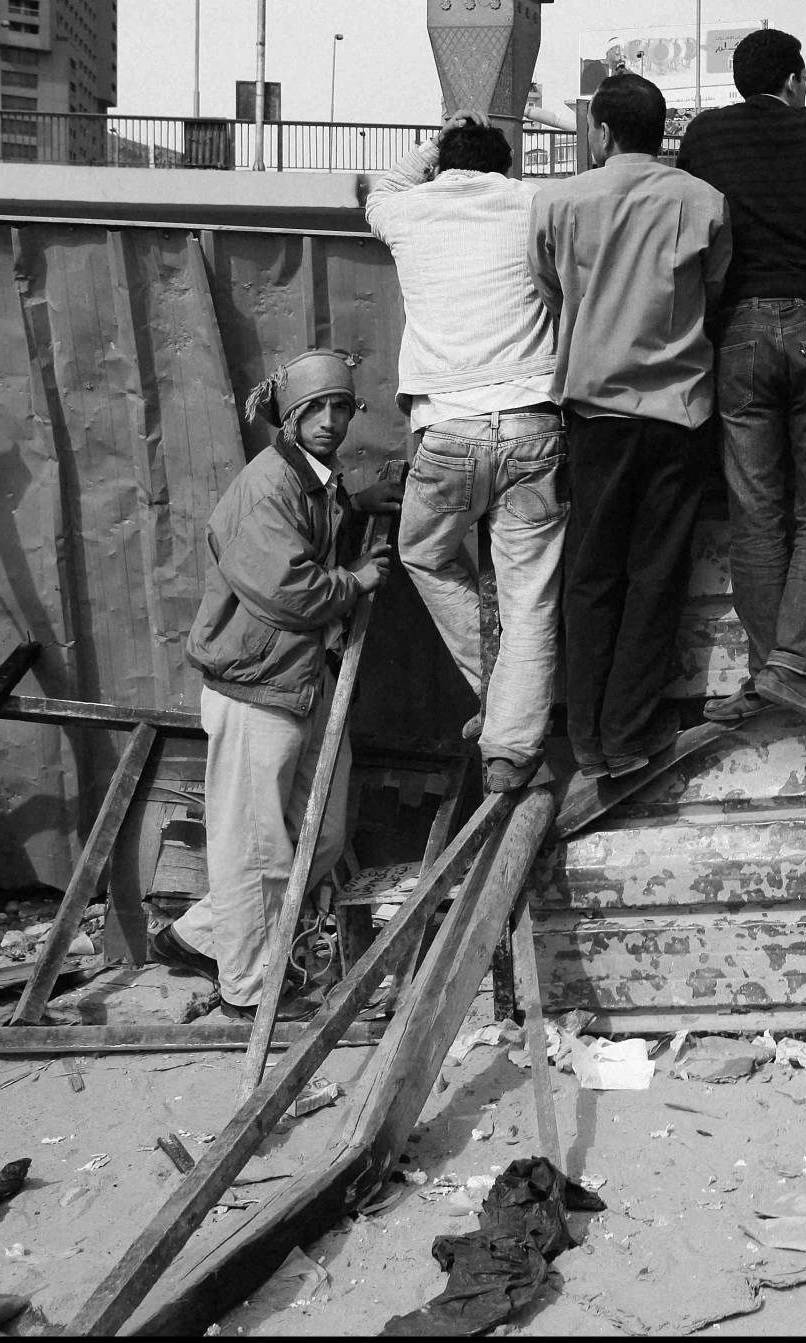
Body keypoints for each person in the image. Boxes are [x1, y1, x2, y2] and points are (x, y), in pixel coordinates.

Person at [156, 350, 396, 1019]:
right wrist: (355, 582)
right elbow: (289, 590)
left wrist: (357, 505)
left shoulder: (312, 480)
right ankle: (249, 993)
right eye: (314, 409)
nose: (330, 420)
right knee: (256, 851)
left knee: (321, 835)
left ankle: (199, 936)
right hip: (255, 689)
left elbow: (313, 522)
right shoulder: (268, 486)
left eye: (340, 406)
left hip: (303, 681)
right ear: (289, 418)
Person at [676, 28, 806, 734]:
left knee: (755, 511)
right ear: (792, 79)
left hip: (740, 329)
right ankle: (790, 666)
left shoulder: (705, 135)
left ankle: (772, 669)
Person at [533, 73, 730, 778]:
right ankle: (630, 730)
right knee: (657, 573)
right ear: (660, 130)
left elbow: (549, 287)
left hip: (595, 413)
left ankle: (585, 736)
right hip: (679, 411)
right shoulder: (703, 200)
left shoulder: (558, 201)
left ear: (602, 132)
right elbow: (713, 290)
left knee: (591, 573)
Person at [361, 116, 564, 793]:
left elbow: (382, 187)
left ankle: (499, 696)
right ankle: (511, 737)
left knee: (424, 552)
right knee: (529, 593)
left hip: (447, 430)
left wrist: (435, 140)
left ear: (443, 162)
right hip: (534, 423)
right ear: (505, 167)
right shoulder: (534, 201)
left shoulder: (409, 210)